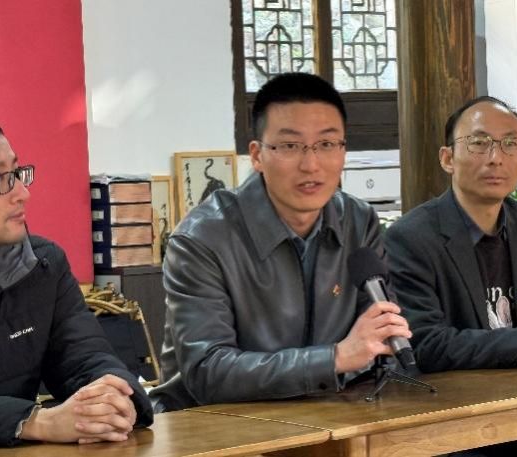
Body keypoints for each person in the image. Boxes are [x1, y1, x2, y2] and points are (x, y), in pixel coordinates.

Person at [150, 72, 412, 411]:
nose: (311, 164)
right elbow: (208, 372)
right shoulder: (201, 239)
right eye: (290, 146)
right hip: (214, 424)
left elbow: (376, 340)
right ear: (257, 155)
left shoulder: (358, 221)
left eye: (327, 144)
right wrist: (333, 358)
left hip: (327, 414)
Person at [384, 96, 517, 456]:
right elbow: (424, 345)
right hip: (448, 432)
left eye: (511, 144)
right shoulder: (410, 237)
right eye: (479, 143)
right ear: (447, 158)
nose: (496, 157)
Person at [0, 111, 153, 446]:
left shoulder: (41, 266)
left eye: (16, 173)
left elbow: (85, 357)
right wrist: (36, 422)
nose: (22, 193)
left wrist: (115, 399)